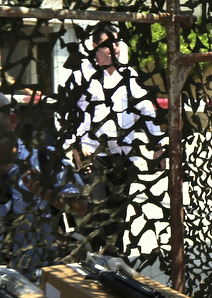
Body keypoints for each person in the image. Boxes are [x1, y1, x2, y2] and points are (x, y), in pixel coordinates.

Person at [0, 93, 85, 278]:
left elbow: (81, 209)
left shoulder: (46, 160)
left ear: (12, 121)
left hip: (39, 275)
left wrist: (47, 194)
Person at [60, 22, 161, 256]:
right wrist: (76, 150)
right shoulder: (80, 76)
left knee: (117, 216)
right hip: (91, 155)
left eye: (117, 43)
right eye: (108, 44)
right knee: (94, 212)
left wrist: (157, 145)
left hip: (121, 156)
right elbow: (66, 117)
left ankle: (113, 262)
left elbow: (145, 109)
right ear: (95, 46)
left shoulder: (128, 74)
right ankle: (89, 263)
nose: (115, 48)